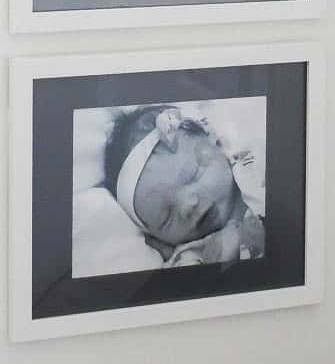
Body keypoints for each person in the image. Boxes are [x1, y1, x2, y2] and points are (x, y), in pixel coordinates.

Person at [104, 105, 265, 267]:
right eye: (166, 219)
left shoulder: (257, 164)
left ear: (214, 141)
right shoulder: (190, 257)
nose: (188, 205)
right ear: (156, 239)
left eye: (193, 176)